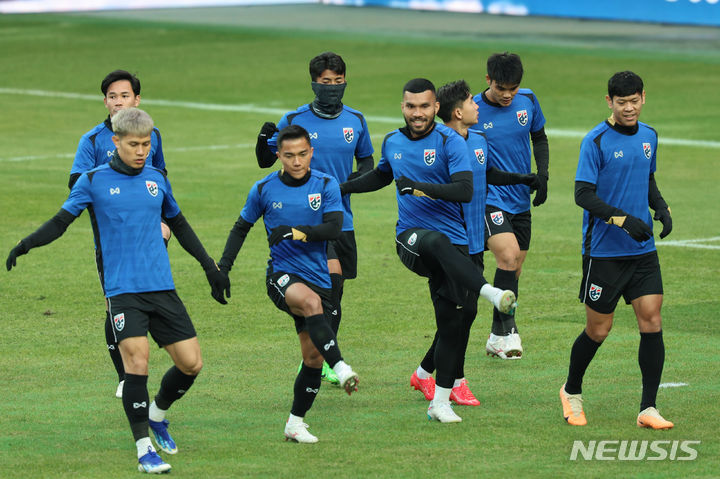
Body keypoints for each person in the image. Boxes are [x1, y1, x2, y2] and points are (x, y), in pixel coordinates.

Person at [6, 108, 230, 473]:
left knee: (191, 364)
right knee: (136, 363)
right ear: (116, 141)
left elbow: (180, 224)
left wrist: (211, 268)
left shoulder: (157, 179)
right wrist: (26, 243)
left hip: (162, 287)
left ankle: (157, 415)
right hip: (123, 290)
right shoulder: (93, 181)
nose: (142, 151)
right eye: (134, 144)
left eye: (146, 144)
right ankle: (144, 449)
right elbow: (62, 222)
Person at [341, 78, 516, 423]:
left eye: (424, 106)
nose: (417, 113)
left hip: (457, 245)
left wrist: (420, 187)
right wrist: (342, 187)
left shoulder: (451, 142)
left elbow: (465, 190)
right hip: (412, 240)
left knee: (455, 321)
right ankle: (490, 291)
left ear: (436, 108)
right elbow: (380, 176)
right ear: (402, 107)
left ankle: (438, 398)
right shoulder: (392, 141)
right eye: (410, 106)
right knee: (434, 242)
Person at [220, 124, 359, 443]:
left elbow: (334, 228)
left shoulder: (326, 185)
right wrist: (222, 268)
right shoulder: (263, 188)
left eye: (302, 154)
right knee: (310, 303)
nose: (296, 162)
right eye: (289, 156)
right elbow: (241, 227)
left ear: (311, 153)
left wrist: (296, 232)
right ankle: (340, 368)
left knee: (311, 358)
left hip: (317, 277)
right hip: (281, 276)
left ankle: (295, 423)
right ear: (279, 155)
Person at [410, 80, 540, 406]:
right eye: (471, 102)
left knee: (465, 313)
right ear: (457, 112)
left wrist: (522, 178)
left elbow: (486, 174)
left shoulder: (478, 138)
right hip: (449, 241)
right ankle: (455, 380)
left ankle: (425, 373)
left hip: (473, 239)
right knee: (459, 312)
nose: (477, 106)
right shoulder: (440, 145)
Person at [559, 71, 673, 430]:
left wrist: (661, 207)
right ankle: (571, 391)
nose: (629, 108)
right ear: (609, 101)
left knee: (652, 320)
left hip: (642, 250)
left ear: (643, 97)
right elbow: (583, 195)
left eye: (634, 100)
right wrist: (622, 220)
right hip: (604, 252)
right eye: (621, 102)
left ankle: (648, 408)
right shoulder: (595, 141)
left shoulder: (649, 136)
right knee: (599, 329)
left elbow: (647, 177)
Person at [255, 52, 374, 384]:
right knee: (320, 289)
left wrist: (344, 186)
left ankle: (316, 356)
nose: (333, 88)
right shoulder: (295, 118)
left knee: (334, 293)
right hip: (302, 223)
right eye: (326, 82)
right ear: (314, 83)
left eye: (338, 82)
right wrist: (263, 141)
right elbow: (267, 160)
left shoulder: (356, 120)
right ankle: (320, 360)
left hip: (340, 221)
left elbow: (367, 164)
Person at [70, 69, 169, 399]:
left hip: (148, 235)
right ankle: (125, 375)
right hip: (110, 240)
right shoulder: (93, 141)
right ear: (105, 101)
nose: (118, 102)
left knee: (146, 297)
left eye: (124, 95)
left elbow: (161, 178)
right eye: (112, 96)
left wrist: (165, 220)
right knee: (116, 301)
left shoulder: (152, 136)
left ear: (137, 100)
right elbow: (77, 184)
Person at [469, 52, 550, 359]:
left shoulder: (528, 100)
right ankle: (509, 332)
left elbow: (539, 137)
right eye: (501, 87)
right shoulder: (473, 110)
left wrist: (542, 176)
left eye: (513, 88)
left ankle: (494, 336)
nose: (507, 94)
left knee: (513, 269)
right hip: (488, 199)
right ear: (488, 80)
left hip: (520, 199)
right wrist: (522, 177)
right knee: (508, 255)